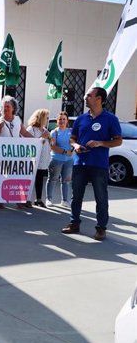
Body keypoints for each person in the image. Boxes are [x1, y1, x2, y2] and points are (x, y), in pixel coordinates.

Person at [61, 87, 122, 241]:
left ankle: (101, 228)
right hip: (80, 163)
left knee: (101, 197)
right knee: (76, 196)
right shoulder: (81, 119)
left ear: (99, 99)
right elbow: (72, 138)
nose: (85, 97)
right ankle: (74, 223)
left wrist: (100, 143)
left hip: (99, 165)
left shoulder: (111, 119)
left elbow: (118, 140)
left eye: (89, 95)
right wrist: (75, 146)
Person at [46, 111, 73, 207]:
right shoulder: (54, 132)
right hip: (56, 160)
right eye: (60, 119)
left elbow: (74, 143)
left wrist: (72, 150)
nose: (62, 121)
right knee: (52, 179)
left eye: (64, 119)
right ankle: (49, 199)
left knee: (66, 181)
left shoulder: (71, 131)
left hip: (68, 161)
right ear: (57, 121)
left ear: (67, 121)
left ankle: (65, 200)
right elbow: (53, 147)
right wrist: (65, 152)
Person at [25, 109, 52, 207]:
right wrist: (42, 137)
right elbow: (31, 143)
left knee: (40, 178)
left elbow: (48, 145)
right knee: (30, 179)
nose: (47, 120)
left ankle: (39, 199)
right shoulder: (31, 129)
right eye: (46, 117)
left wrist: (49, 139)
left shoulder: (45, 130)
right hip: (33, 158)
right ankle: (27, 199)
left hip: (42, 159)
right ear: (40, 118)